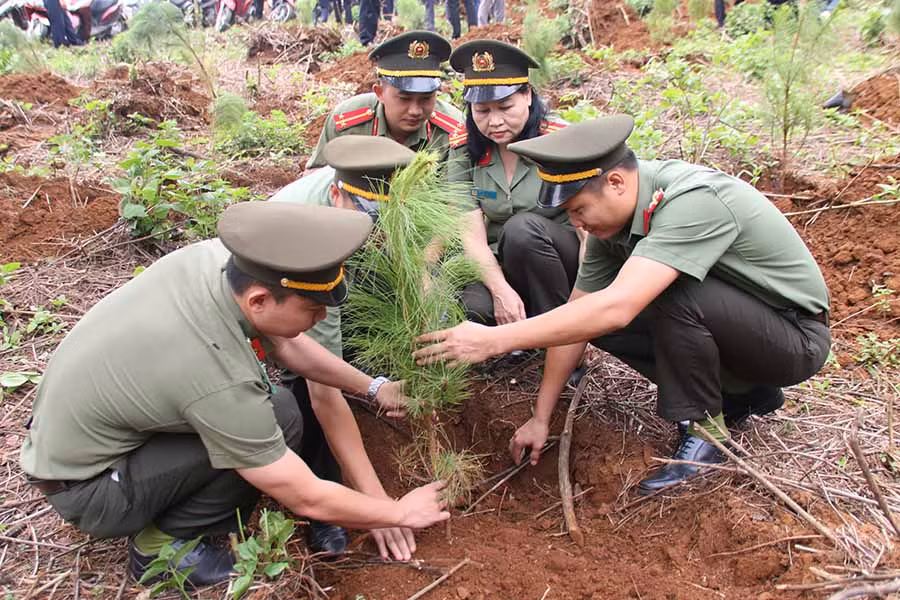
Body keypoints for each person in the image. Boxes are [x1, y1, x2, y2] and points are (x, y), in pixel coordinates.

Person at [20, 202, 450, 588]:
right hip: (89, 488)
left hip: (89, 438)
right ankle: (163, 548)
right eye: (312, 310)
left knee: (277, 410)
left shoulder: (221, 266)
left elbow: (286, 340)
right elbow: (303, 494)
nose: (320, 318)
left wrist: (373, 387)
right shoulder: (213, 368)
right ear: (261, 299)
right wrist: (399, 513)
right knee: (271, 421)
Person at [415, 114, 831, 495]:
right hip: (744, 330)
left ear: (615, 182)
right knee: (588, 319)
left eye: (579, 210)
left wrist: (496, 340)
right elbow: (578, 316)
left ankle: (708, 438)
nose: (576, 225)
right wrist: (541, 418)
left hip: (793, 338)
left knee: (666, 294)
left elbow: (619, 307)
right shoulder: (609, 230)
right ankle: (745, 393)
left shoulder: (691, 201)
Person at [268, 136, 416, 553]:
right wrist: (377, 503)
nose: (378, 229)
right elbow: (324, 392)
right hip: (278, 287)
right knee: (306, 378)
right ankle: (323, 499)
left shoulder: (357, 213)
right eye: (370, 215)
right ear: (336, 193)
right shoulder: (313, 243)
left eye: (390, 218)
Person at [447, 40, 580, 334]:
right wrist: (500, 291)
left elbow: (590, 233)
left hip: (561, 260)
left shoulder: (559, 142)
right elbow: (471, 235)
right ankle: (524, 325)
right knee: (474, 309)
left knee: (521, 230)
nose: (494, 121)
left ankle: (559, 334)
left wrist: (586, 303)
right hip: (504, 262)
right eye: (482, 110)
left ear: (528, 96)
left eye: (505, 107)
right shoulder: (463, 150)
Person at [306, 31, 464, 170]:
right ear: (379, 93)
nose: (415, 110)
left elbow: (462, 195)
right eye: (404, 99)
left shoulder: (453, 130)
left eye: (426, 98)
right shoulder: (347, 123)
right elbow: (314, 179)